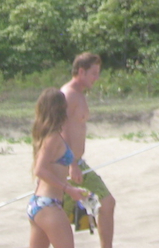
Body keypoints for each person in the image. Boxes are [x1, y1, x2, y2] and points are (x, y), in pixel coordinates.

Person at [61, 52, 116, 248]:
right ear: (81, 71)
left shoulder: (80, 95)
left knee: (107, 202)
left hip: (78, 164)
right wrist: (71, 163)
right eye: (94, 73)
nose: (96, 78)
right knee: (58, 217)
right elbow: (58, 130)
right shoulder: (68, 95)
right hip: (66, 164)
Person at [28, 87, 91, 248]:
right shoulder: (53, 138)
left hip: (38, 203)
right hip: (49, 205)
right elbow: (40, 170)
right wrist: (68, 189)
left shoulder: (47, 135)